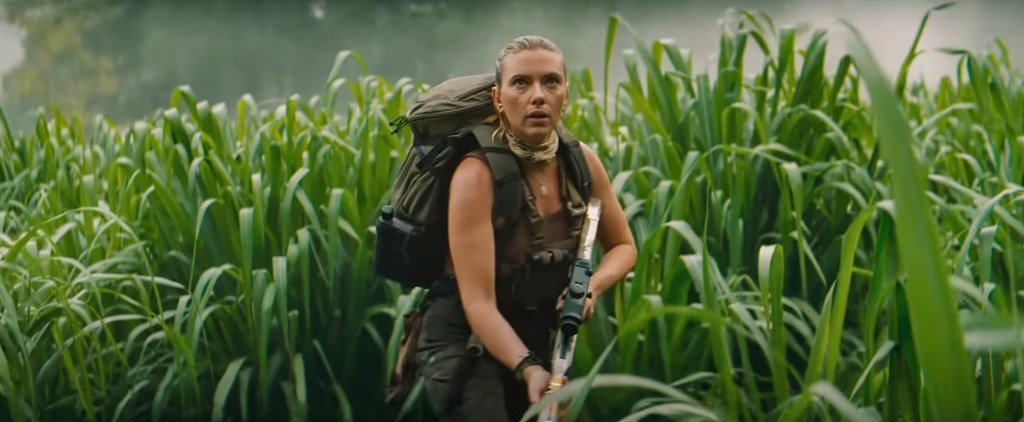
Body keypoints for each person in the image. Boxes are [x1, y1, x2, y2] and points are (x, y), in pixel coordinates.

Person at [416, 35, 637, 421]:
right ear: (499, 98)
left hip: (535, 330)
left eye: (551, 82)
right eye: (521, 83)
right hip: (464, 337)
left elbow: (623, 246)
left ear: (565, 95)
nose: (538, 96)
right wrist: (529, 368)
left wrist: (590, 288)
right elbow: (478, 304)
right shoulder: (477, 175)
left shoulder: (581, 162)